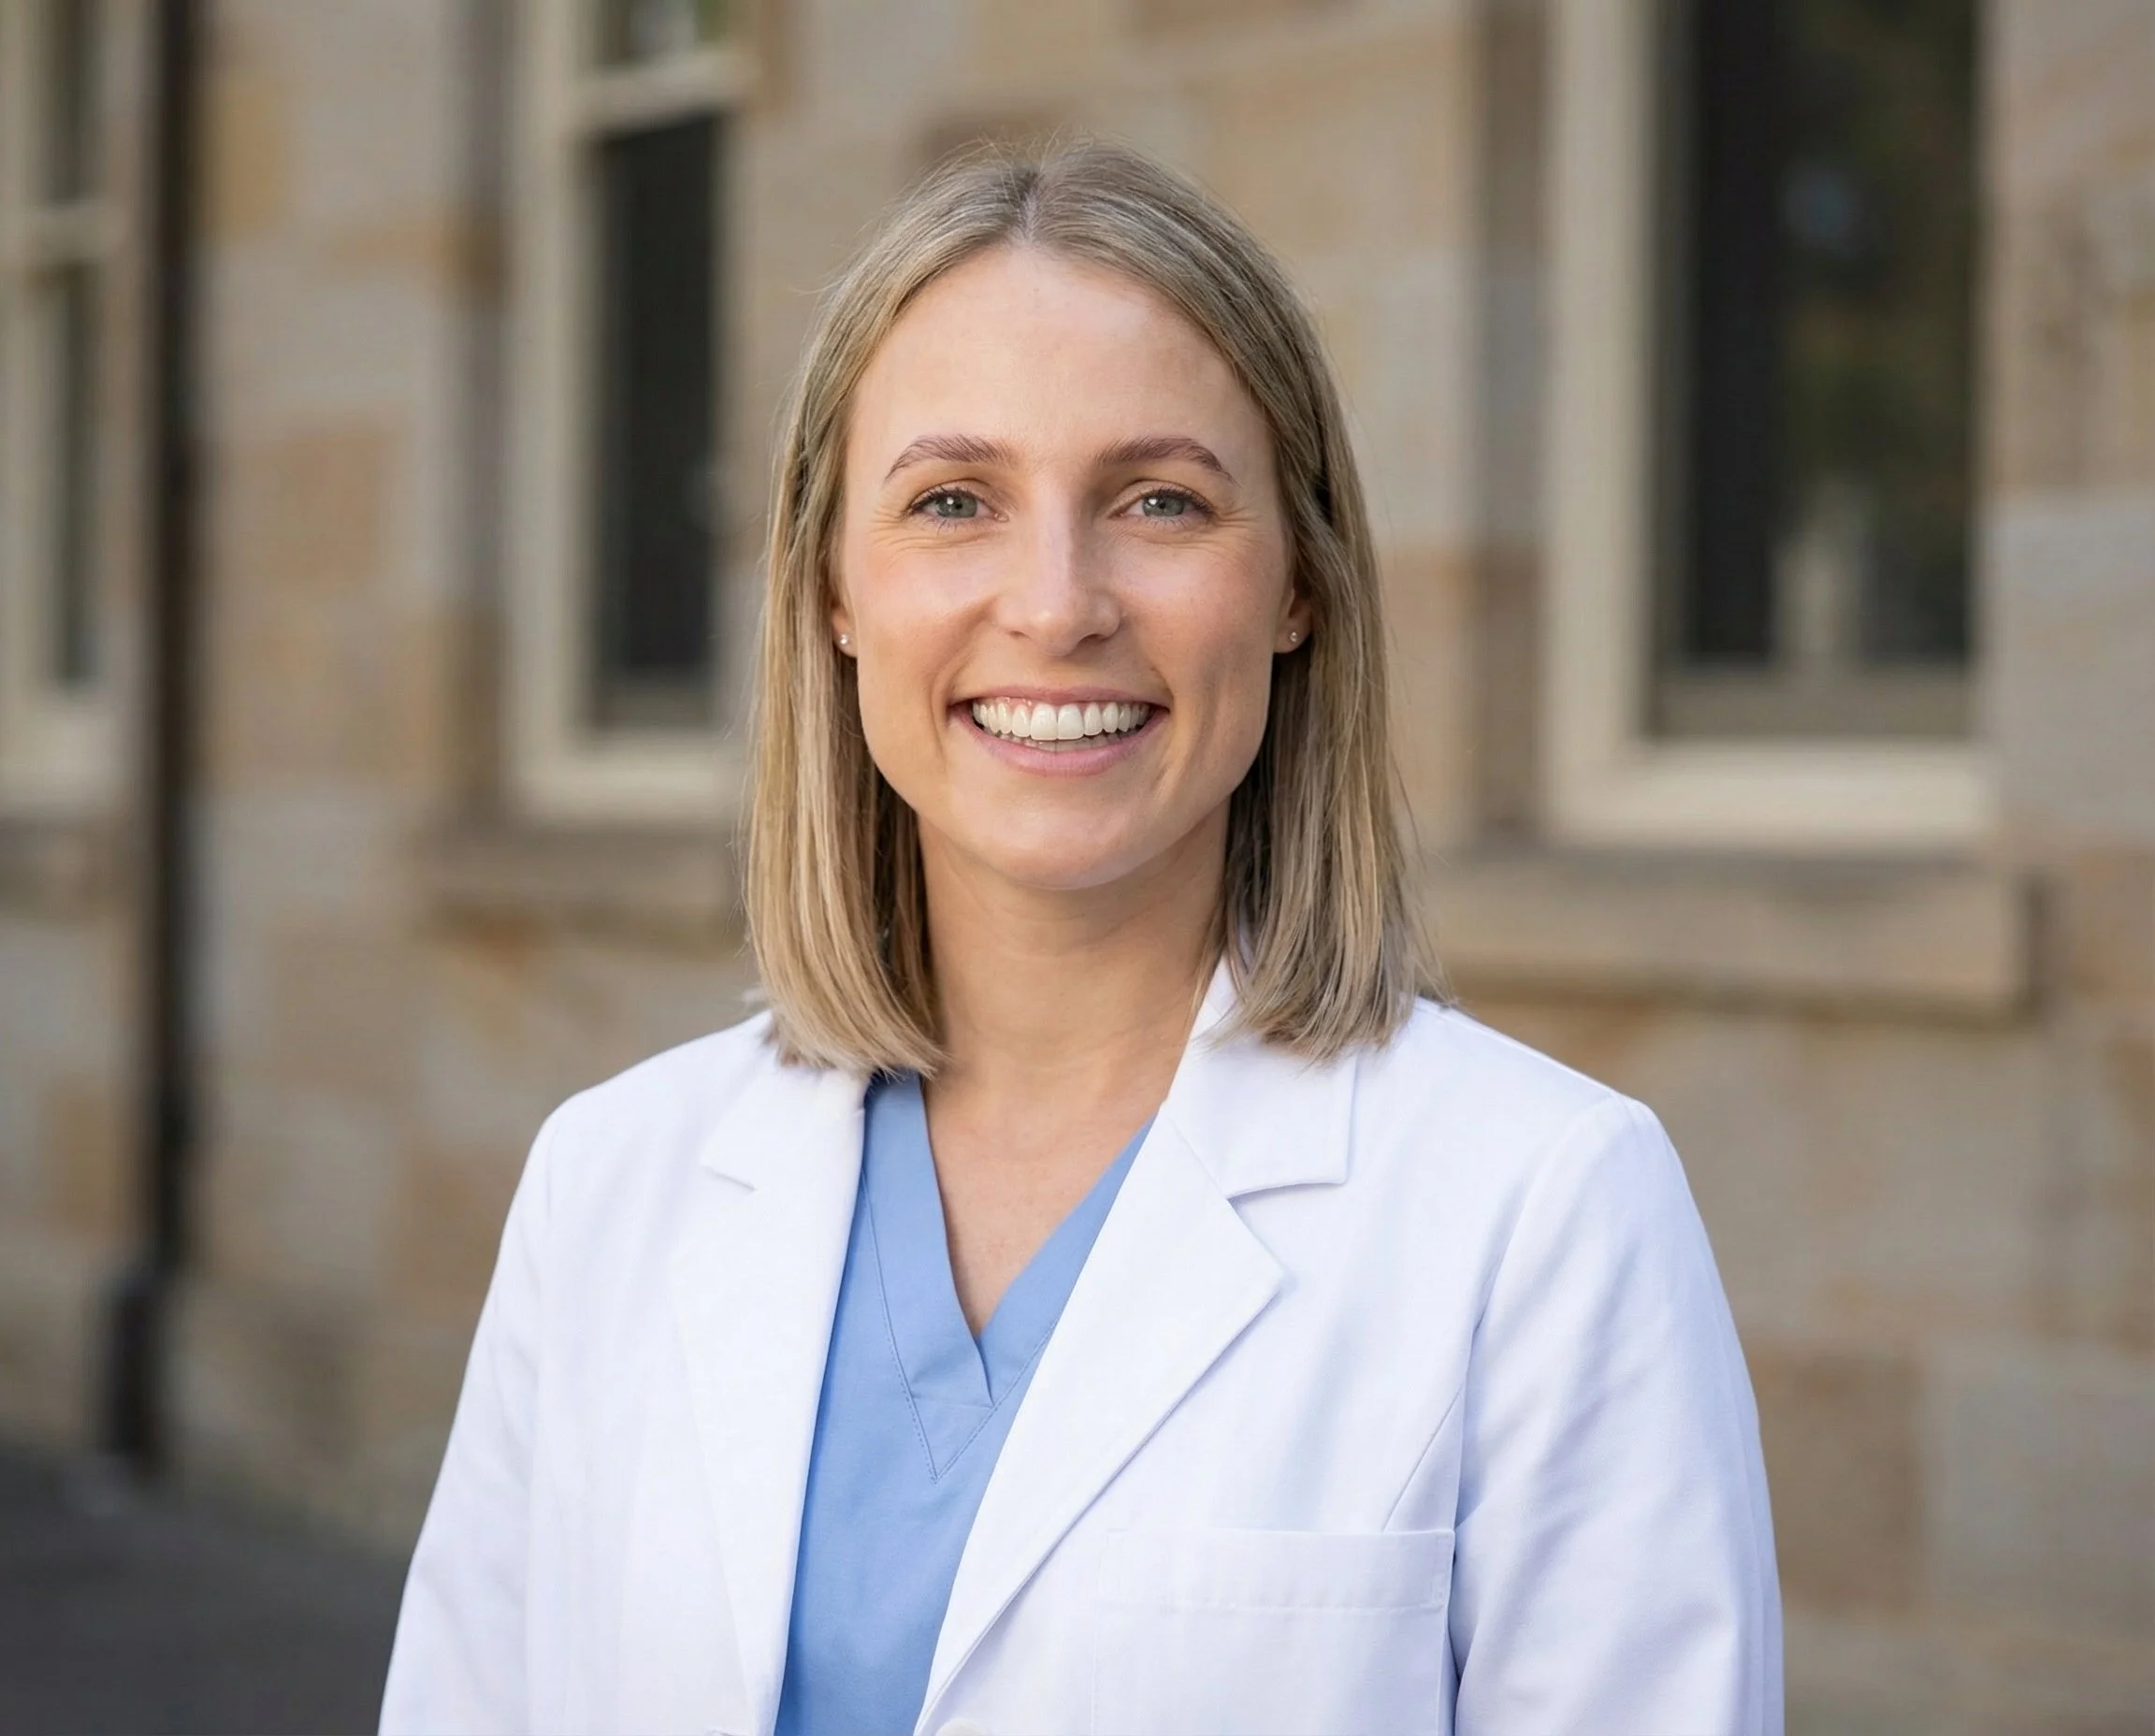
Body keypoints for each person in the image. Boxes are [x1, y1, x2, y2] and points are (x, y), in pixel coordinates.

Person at [380, 140, 1781, 1736]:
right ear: (834, 590)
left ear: (1298, 587)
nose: (1056, 605)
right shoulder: (606, 1185)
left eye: (1161, 501)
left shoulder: (1545, 1213)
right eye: (953, 501)